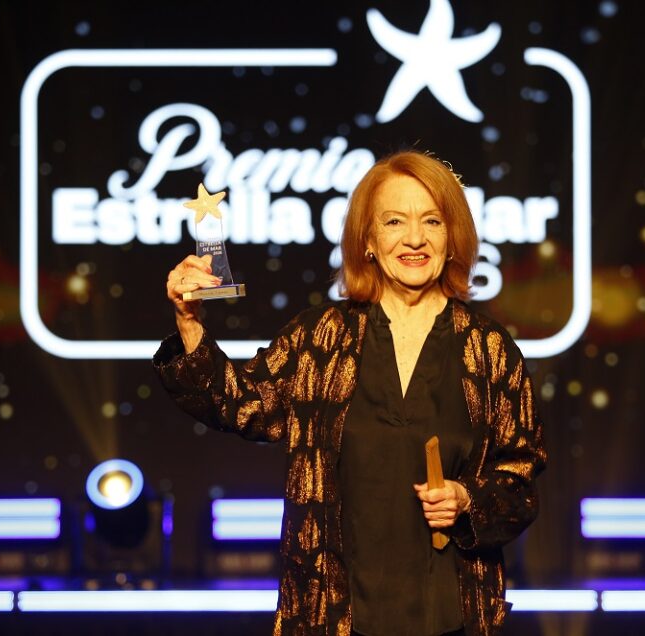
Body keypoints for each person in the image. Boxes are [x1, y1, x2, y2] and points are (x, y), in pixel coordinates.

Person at [154, 151, 546, 636]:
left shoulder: (489, 350)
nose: (415, 238)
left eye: (432, 221)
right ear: (368, 241)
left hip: (453, 613)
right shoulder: (320, 338)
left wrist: (468, 498)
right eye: (394, 221)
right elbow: (238, 403)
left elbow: (519, 478)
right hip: (334, 613)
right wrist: (188, 322)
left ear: (453, 238)